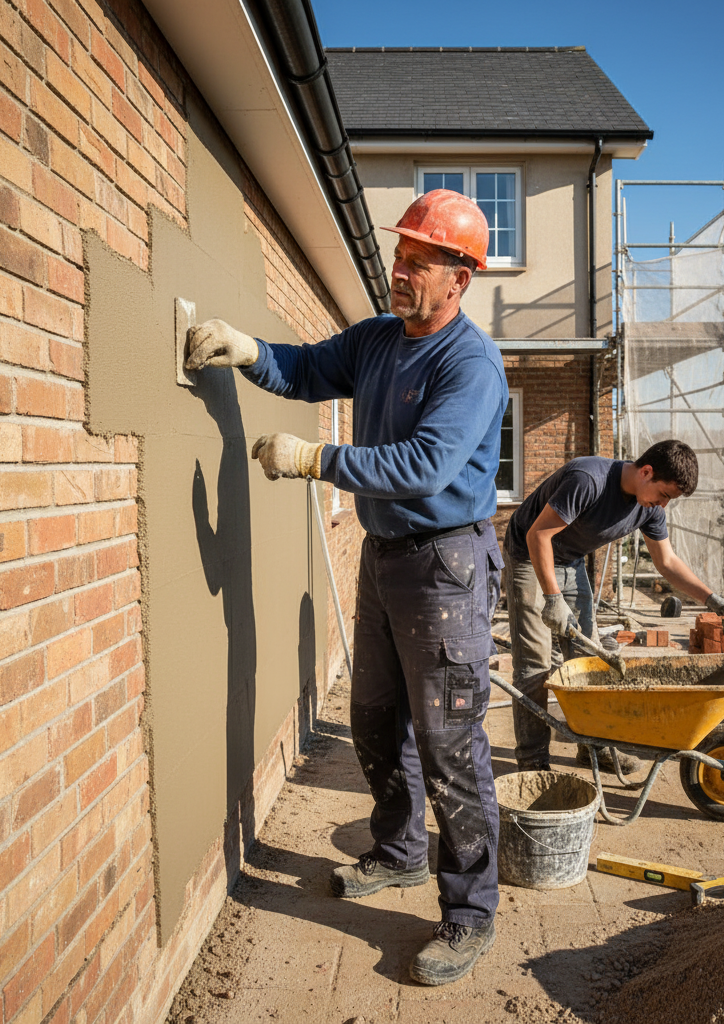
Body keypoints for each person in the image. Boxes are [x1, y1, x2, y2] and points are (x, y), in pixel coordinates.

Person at [185, 190, 506, 986]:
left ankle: (469, 914)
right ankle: (398, 852)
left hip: (446, 569)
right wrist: (244, 348)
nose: (400, 273)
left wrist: (315, 460)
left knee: (450, 747)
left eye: (420, 263)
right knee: (373, 720)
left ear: (460, 278)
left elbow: (425, 465)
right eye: (399, 258)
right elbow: (302, 368)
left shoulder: (470, 364)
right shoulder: (377, 342)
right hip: (388, 560)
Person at [502, 439, 724, 771]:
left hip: (571, 560)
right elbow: (538, 535)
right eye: (664, 495)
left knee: (588, 659)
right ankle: (533, 761)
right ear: (647, 472)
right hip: (528, 554)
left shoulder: (648, 507)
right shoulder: (588, 479)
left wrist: (713, 599)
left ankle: (592, 748)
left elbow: (666, 562)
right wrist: (552, 598)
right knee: (535, 666)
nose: (663, 506)